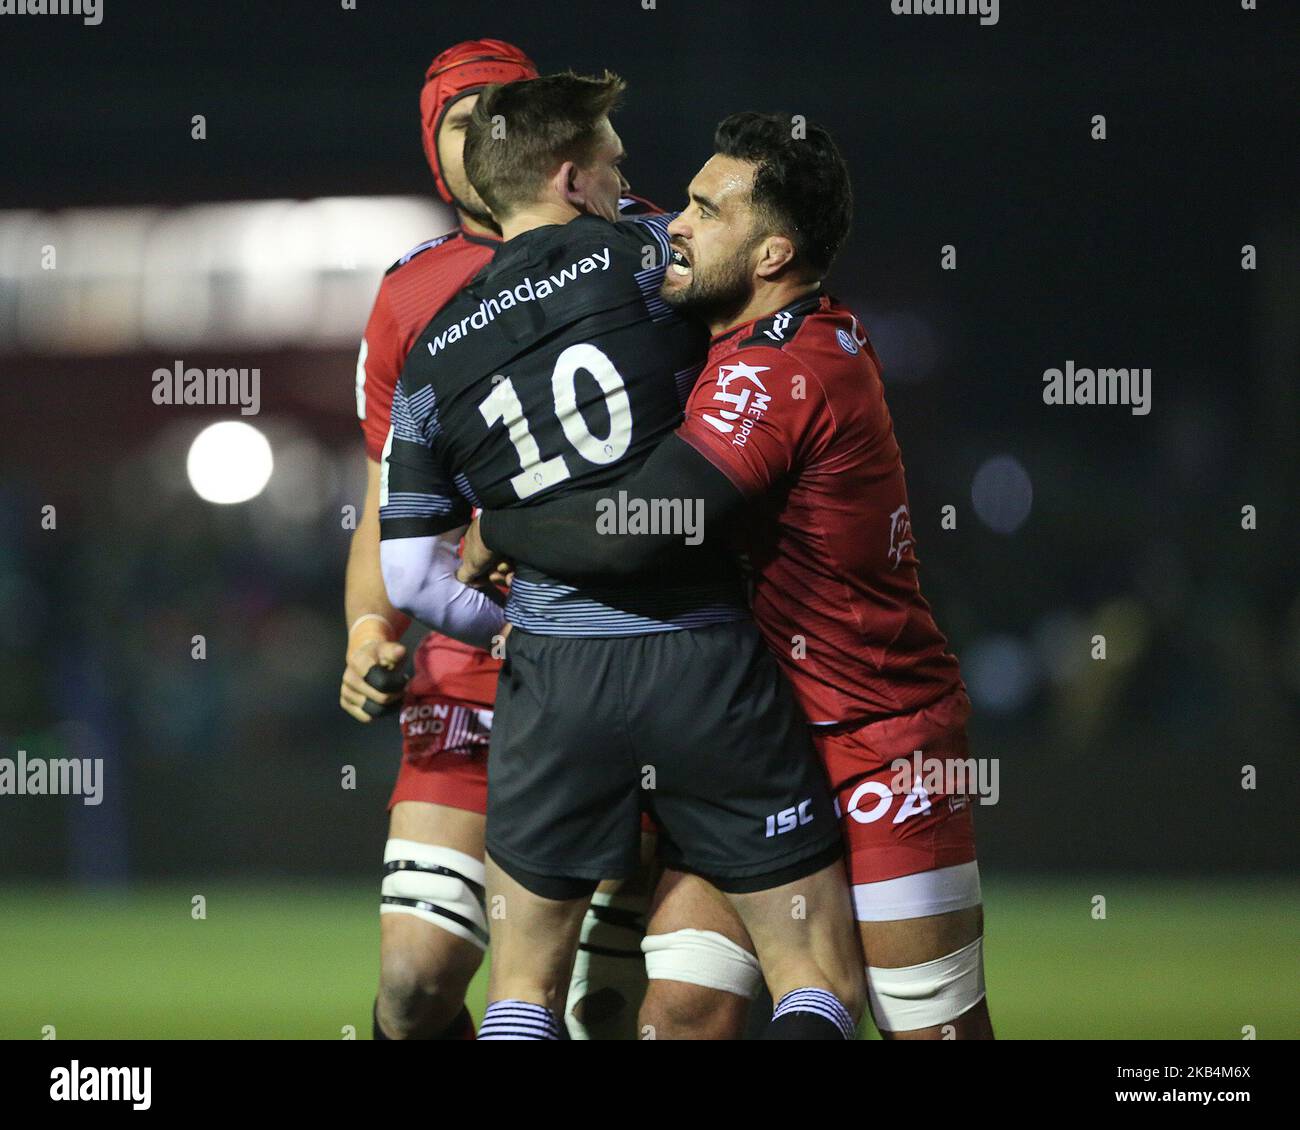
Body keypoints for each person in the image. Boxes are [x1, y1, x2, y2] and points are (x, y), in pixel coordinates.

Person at [462, 112, 994, 1040]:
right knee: (686, 1015)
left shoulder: (784, 367)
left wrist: (497, 528)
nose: (676, 223)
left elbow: (644, 527)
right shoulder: (735, 344)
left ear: (773, 254)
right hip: (747, 735)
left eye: (707, 211)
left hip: (875, 735)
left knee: (932, 1032)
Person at [379, 73, 865, 1040]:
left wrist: (514, 617)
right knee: (816, 979)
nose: (643, 196)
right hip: (706, 663)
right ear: (572, 180)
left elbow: (409, 577)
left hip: (554, 684)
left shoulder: (427, 363)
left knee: (521, 994)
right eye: (616, 167)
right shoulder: (645, 258)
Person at [339, 39, 649, 1041]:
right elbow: (387, 499)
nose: (485, 136)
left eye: (500, 113)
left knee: (610, 1005)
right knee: (413, 985)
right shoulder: (404, 295)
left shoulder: (641, 244)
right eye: (460, 122)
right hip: (470, 674)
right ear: (435, 152)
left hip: (629, 659)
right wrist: (365, 627)